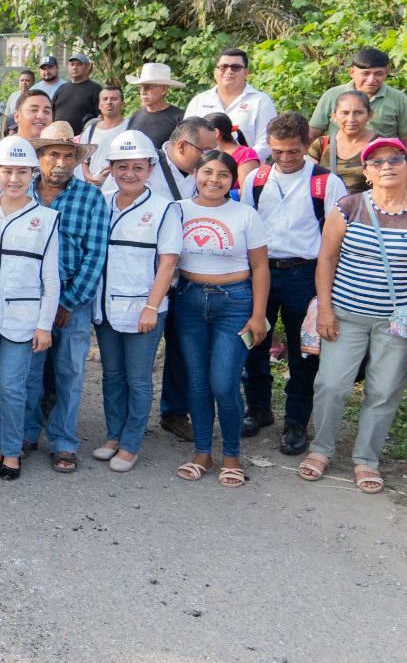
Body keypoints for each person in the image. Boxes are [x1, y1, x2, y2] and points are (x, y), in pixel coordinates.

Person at [301, 138, 407, 494]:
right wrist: (325, 309)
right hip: (345, 314)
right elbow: (327, 259)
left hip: (398, 321)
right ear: (366, 172)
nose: (387, 166)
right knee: (331, 385)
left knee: (383, 391)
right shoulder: (348, 207)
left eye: (395, 159)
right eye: (377, 162)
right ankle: (321, 450)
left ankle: (366, 459)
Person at [237, 113, 347, 454]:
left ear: (306, 146)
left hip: (306, 273)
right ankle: (258, 408)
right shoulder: (256, 178)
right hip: (262, 271)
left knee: (305, 353)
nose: (285, 159)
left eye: (293, 152)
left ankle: (297, 422)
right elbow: (244, 227)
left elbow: (336, 241)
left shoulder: (326, 183)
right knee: (254, 342)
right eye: (278, 151)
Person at [169, 150, 269, 488]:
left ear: (233, 180)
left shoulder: (245, 214)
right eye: (207, 172)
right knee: (197, 381)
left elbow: (260, 267)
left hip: (235, 302)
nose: (214, 180)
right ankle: (202, 452)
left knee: (224, 382)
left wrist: (259, 315)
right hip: (189, 300)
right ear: (195, 173)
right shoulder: (179, 210)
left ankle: (231, 456)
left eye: (223, 175)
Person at [90, 131, 181, 472]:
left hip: (144, 308)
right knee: (112, 375)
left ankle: (131, 443)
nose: (130, 173)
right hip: (106, 307)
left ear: (151, 169)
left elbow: (168, 262)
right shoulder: (103, 202)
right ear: (111, 168)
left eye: (138, 167)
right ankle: (113, 435)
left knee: (138, 378)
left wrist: (151, 306)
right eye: (122, 166)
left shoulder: (163, 209)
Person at [0, 136, 59, 481]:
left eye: (22, 172)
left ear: (32, 175)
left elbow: (51, 278)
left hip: (23, 318)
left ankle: (12, 450)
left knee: (13, 385)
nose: (14, 179)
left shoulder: (47, 218)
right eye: (7, 171)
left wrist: (45, 325)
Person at [26, 122, 109, 473]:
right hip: (28, 299)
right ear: (40, 158)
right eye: (53, 154)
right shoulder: (22, 193)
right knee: (28, 371)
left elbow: (96, 256)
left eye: (68, 156)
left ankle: (62, 441)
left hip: (72, 301)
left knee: (69, 372)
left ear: (76, 160)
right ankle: (27, 433)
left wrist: (67, 301)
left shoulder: (91, 197)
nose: (60, 162)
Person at [309, 47, 407, 161]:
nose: (371, 80)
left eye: (378, 74)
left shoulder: (398, 99)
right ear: (352, 72)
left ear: (386, 73)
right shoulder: (332, 95)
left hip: (381, 166)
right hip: (337, 165)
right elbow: (312, 135)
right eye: (365, 74)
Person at [184, 48, 279, 161]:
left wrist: (238, 163)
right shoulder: (199, 101)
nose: (229, 71)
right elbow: (187, 136)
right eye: (223, 67)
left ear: (246, 73)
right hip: (203, 170)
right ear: (215, 72)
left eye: (236, 67)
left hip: (246, 171)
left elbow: (266, 142)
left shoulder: (261, 101)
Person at [308, 88, 377, 193]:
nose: (351, 119)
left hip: (366, 208)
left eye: (359, 113)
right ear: (334, 116)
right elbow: (306, 180)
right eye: (345, 113)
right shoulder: (321, 144)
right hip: (328, 208)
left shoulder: (381, 146)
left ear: (370, 115)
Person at [124, 63, 185, 148]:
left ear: (163, 89)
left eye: (147, 87)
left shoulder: (179, 118)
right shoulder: (136, 116)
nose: (142, 92)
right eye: (140, 88)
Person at [79, 85, 127, 183]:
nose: (109, 102)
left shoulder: (130, 128)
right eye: (105, 99)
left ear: (122, 104)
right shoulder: (90, 131)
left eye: (114, 99)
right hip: (95, 187)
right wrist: (89, 177)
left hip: (121, 185)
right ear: (99, 105)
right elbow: (82, 159)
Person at [205, 113, 260, 189]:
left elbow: (246, 191)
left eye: (203, 134)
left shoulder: (245, 154)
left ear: (216, 133)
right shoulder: (210, 154)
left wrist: (218, 194)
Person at [49, 54, 102, 133]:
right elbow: (51, 112)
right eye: (72, 64)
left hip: (83, 138)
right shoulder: (61, 88)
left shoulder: (96, 89)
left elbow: (101, 115)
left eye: (79, 64)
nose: (75, 67)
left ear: (87, 67)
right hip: (59, 138)